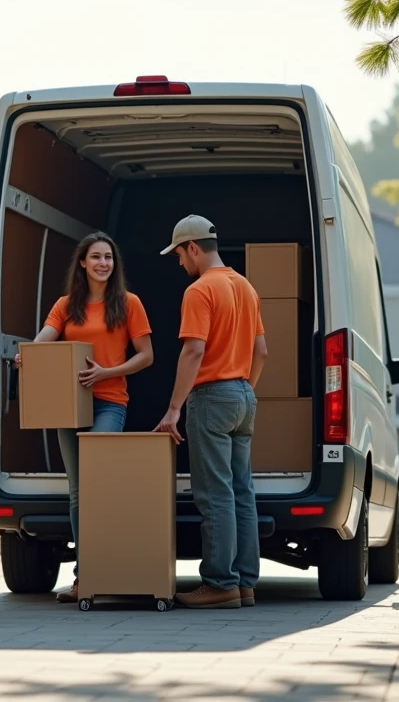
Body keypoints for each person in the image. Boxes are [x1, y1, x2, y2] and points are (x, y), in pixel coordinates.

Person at [14, 232, 154, 603]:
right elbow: (43, 340)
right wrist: (28, 356)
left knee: (97, 484)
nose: (103, 263)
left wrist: (107, 372)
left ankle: (110, 568)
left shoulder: (128, 303)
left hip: (110, 402)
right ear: (82, 262)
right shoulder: (66, 305)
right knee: (78, 492)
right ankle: (85, 577)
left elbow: (146, 355)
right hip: (70, 405)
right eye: (96, 257)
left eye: (108, 257)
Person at [154, 215, 267, 610]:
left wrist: (173, 408)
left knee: (215, 493)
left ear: (193, 248)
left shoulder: (200, 290)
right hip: (243, 394)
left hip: (211, 397)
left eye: (179, 255)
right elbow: (262, 351)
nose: (179, 262)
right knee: (241, 492)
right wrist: (242, 390)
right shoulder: (246, 287)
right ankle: (245, 583)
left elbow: (194, 350)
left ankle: (220, 583)